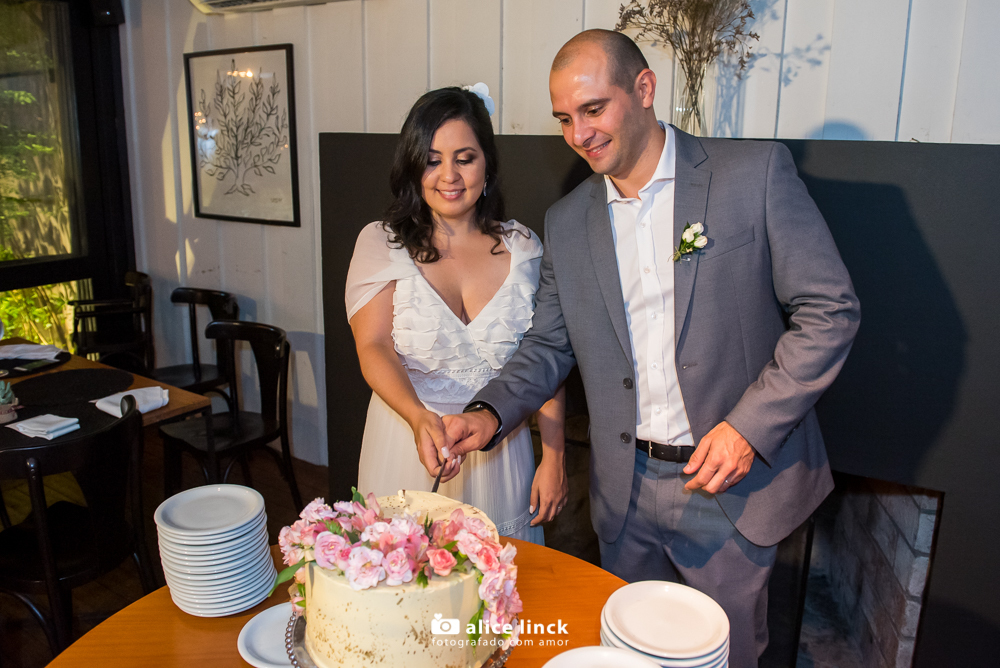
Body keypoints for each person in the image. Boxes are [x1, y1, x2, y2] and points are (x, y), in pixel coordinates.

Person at [442, 30, 860, 666]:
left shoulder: (752, 174)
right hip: (624, 492)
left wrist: (748, 429)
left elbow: (830, 312)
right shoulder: (567, 221)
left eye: (592, 109)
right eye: (563, 119)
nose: (579, 134)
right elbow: (549, 343)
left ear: (644, 89)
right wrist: (488, 412)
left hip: (729, 488)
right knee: (630, 652)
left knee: (725, 656)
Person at [345, 85, 568, 545]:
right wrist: (417, 416)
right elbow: (373, 346)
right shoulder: (381, 243)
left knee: (495, 581)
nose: (449, 175)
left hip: (499, 453)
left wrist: (554, 456)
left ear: (487, 163)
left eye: (464, 158)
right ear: (414, 166)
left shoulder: (524, 249)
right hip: (407, 439)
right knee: (403, 573)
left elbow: (546, 358)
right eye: (432, 160)